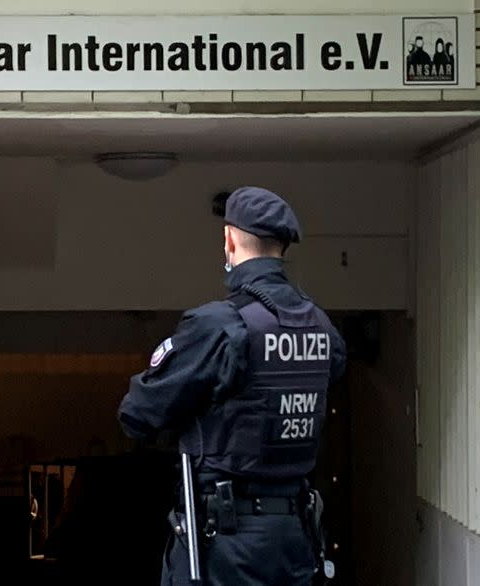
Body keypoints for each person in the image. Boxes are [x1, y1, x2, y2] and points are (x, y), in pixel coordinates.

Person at [117, 186, 346, 586]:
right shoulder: (322, 328)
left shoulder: (221, 325)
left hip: (231, 539)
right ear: (283, 247)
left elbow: (137, 413)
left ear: (228, 239)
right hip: (296, 537)